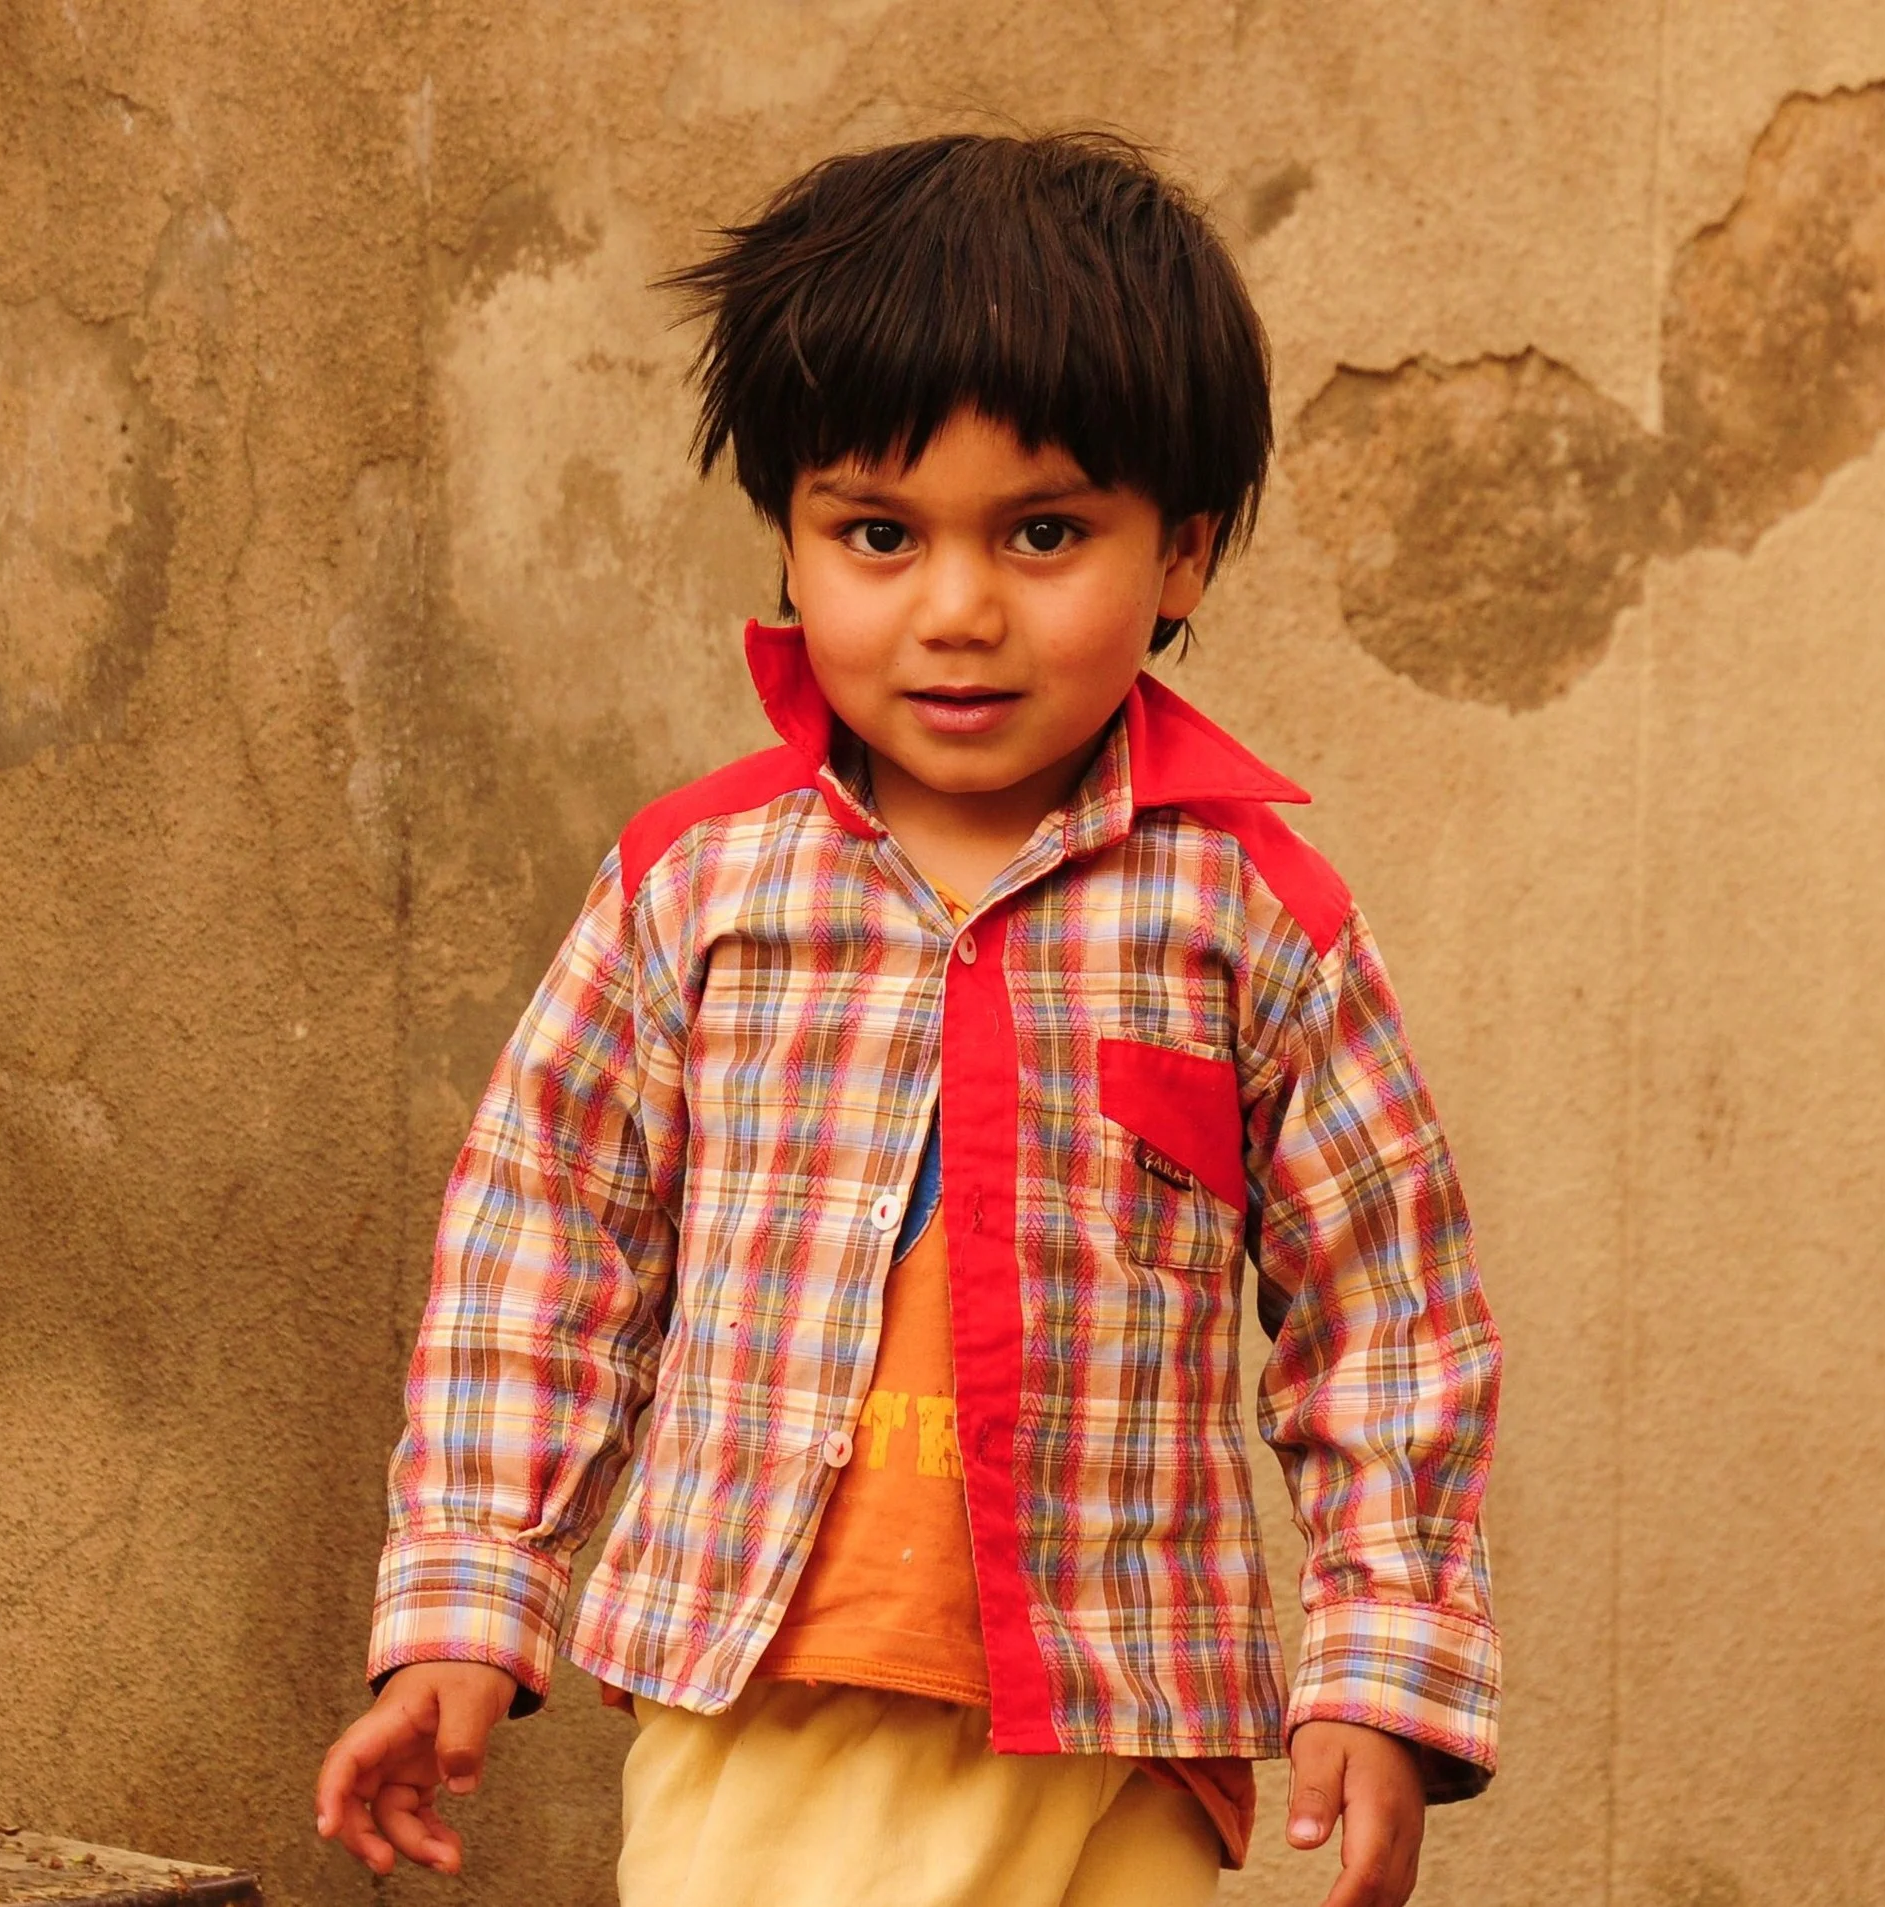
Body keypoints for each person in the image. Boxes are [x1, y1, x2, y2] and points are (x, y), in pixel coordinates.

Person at [315, 131, 1501, 1907]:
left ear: (1179, 554)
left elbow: (1387, 1313)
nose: (955, 610)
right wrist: (474, 1596)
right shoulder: (694, 889)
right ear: (793, 537)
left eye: (1043, 532)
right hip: (785, 1696)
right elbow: (539, 1252)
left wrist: (1381, 1661)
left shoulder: (1256, 923)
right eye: (879, 532)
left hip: (1130, 1726)